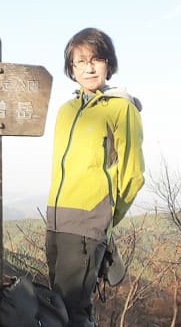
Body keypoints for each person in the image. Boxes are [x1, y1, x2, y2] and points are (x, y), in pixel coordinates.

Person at [45, 27, 145, 326]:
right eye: (80, 61)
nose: (89, 67)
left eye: (96, 59)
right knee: (58, 305)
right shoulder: (65, 110)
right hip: (56, 219)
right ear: (71, 68)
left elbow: (133, 174)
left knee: (70, 310)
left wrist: (105, 217)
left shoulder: (121, 109)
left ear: (108, 64)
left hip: (88, 221)